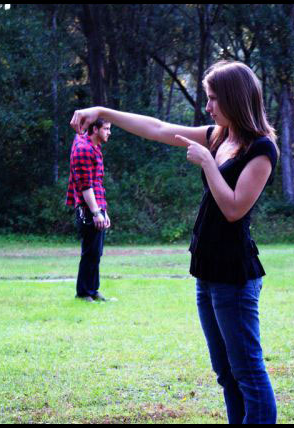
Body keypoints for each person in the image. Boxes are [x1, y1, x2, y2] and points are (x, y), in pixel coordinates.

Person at [70, 60, 279, 423]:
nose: (208, 107)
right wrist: (103, 111)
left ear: (234, 98)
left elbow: (234, 208)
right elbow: (158, 128)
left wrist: (207, 163)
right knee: (226, 374)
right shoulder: (218, 136)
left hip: (234, 276)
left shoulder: (261, 150)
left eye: (213, 98)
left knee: (248, 373)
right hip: (206, 271)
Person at [66, 118, 113, 303]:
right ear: (95, 129)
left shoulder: (93, 146)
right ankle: (83, 293)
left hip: (97, 206)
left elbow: (97, 183)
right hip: (88, 209)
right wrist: (96, 212)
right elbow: (86, 186)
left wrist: (103, 210)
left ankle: (93, 290)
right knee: (89, 252)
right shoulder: (84, 149)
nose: (109, 132)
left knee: (96, 252)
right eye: (106, 128)